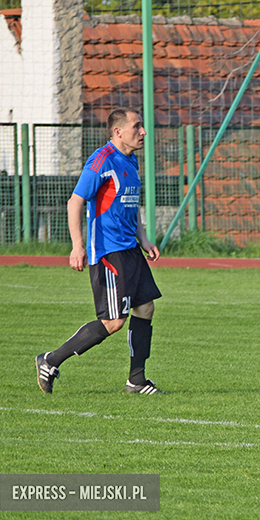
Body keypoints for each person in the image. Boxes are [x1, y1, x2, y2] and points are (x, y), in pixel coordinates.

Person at [35, 108, 164, 395]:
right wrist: (77, 245)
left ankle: (137, 380)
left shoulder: (131, 162)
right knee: (114, 321)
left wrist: (143, 238)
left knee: (145, 308)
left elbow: (132, 206)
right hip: (108, 251)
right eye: (137, 126)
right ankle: (50, 360)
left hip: (130, 249)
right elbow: (75, 202)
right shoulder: (101, 160)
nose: (143, 132)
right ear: (118, 131)